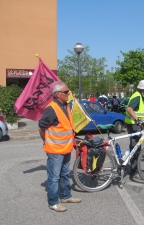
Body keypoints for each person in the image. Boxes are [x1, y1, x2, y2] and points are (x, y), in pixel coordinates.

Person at [38, 81, 81, 212]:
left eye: (68, 92)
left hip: (66, 148)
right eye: (66, 92)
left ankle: (66, 196)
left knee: (64, 174)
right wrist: (46, 140)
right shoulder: (51, 108)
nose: (69, 94)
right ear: (57, 94)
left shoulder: (65, 105)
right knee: (54, 177)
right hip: (55, 150)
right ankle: (53, 202)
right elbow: (41, 126)